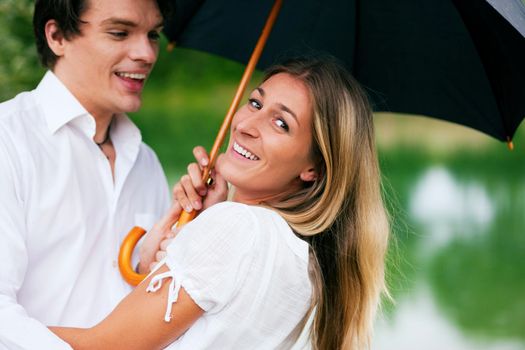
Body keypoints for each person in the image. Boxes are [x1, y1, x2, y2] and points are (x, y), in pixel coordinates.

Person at [51, 56, 391, 350]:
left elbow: (101, 346)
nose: (245, 126)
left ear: (313, 168)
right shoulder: (303, 259)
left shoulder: (237, 228)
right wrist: (199, 228)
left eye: (281, 123)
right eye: (256, 103)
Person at [0, 0, 176, 348]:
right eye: (119, 33)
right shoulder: (8, 141)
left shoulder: (146, 162)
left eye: (153, 34)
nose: (146, 53)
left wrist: (152, 265)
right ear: (57, 36)